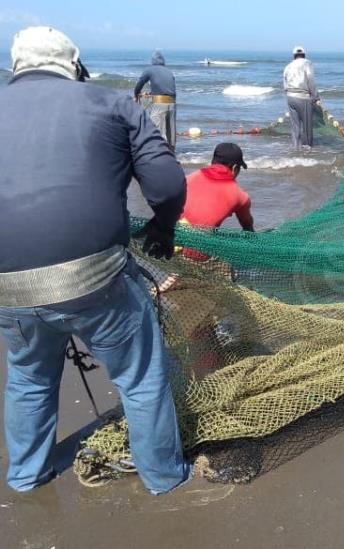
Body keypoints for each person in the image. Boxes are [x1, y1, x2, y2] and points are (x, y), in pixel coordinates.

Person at [0, 26, 190, 494]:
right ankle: (163, 478)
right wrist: (163, 228)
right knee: (142, 378)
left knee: (27, 378)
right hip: (95, 279)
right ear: (76, 65)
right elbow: (166, 185)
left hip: (7, 287)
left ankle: (27, 477)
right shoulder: (111, 103)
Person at [182, 142, 253, 231]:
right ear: (234, 168)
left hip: (167, 234)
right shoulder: (240, 196)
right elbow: (248, 227)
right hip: (195, 242)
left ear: (212, 162)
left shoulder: (189, 177)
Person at [134, 51, 177, 150]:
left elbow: (139, 84)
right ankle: (171, 153)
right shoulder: (168, 71)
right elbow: (165, 87)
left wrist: (136, 94)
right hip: (172, 103)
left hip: (160, 103)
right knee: (171, 132)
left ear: (152, 61)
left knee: (157, 130)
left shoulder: (149, 70)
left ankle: (159, 154)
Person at [283, 46, 320, 149]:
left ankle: (296, 148)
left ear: (294, 56)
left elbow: (285, 86)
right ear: (304, 55)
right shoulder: (307, 63)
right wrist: (315, 96)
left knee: (295, 127)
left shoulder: (288, 66)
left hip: (290, 97)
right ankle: (308, 150)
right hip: (303, 98)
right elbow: (310, 80)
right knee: (307, 127)